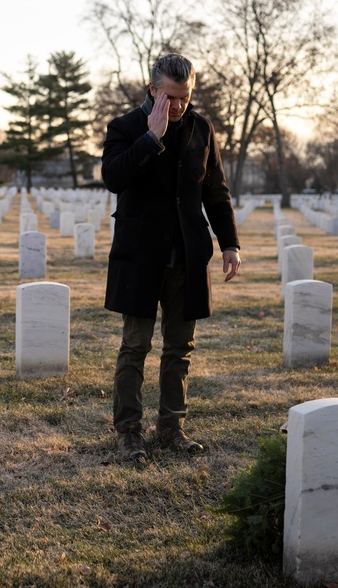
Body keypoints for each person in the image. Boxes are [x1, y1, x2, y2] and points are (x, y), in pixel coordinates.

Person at [101, 53, 241, 462]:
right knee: (135, 346)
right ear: (152, 89)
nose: (178, 105)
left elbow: (215, 191)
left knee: (180, 347)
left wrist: (230, 243)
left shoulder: (202, 129)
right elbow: (113, 178)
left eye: (185, 97)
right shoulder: (125, 127)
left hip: (187, 255)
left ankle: (171, 426)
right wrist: (152, 137)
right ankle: (129, 431)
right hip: (140, 255)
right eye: (171, 97)